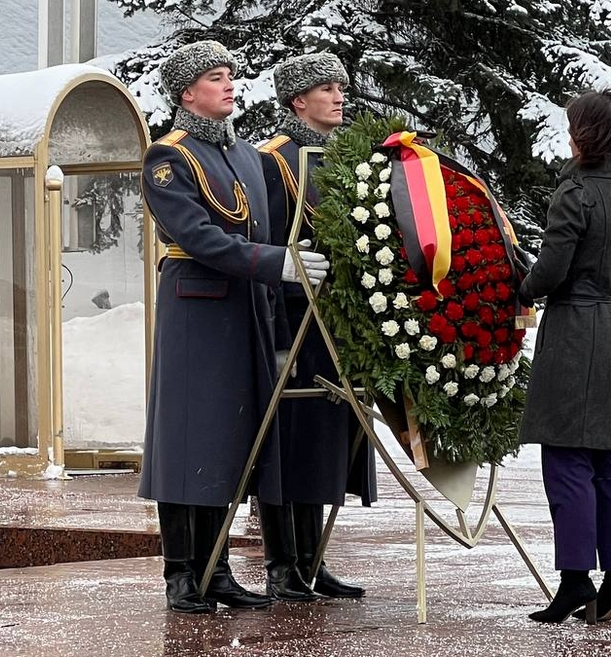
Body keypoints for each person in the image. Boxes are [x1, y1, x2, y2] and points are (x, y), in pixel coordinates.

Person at [138, 40, 330, 614]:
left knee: (231, 438)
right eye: (215, 77)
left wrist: (283, 270)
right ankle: (180, 571)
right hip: (196, 306)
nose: (229, 85)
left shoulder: (246, 155)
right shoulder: (167, 157)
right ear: (185, 92)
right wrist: (277, 264)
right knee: (187, 435)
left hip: (245, 304)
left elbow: (267, 228)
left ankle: (216, 567)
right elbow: (197, 236)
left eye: (230, 76)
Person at [518, 89, 611, 624]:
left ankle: (576, 580)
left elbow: (552, 272)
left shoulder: (576, 193)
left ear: (587, 135)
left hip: (577, 331)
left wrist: (522, 285)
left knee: (567, 459)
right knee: (610, 464)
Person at [255, 52, 377, 601]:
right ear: (297, 100)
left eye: (341, 87)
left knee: (325, 439)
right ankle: (283, 564)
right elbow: (271, 247)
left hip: (338, 319)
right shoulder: (273, 160)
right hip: (294, 317)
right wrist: (279, 333)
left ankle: (312, 558)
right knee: (288, 440)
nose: (339, 96)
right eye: (326, 88)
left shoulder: (344, 156)